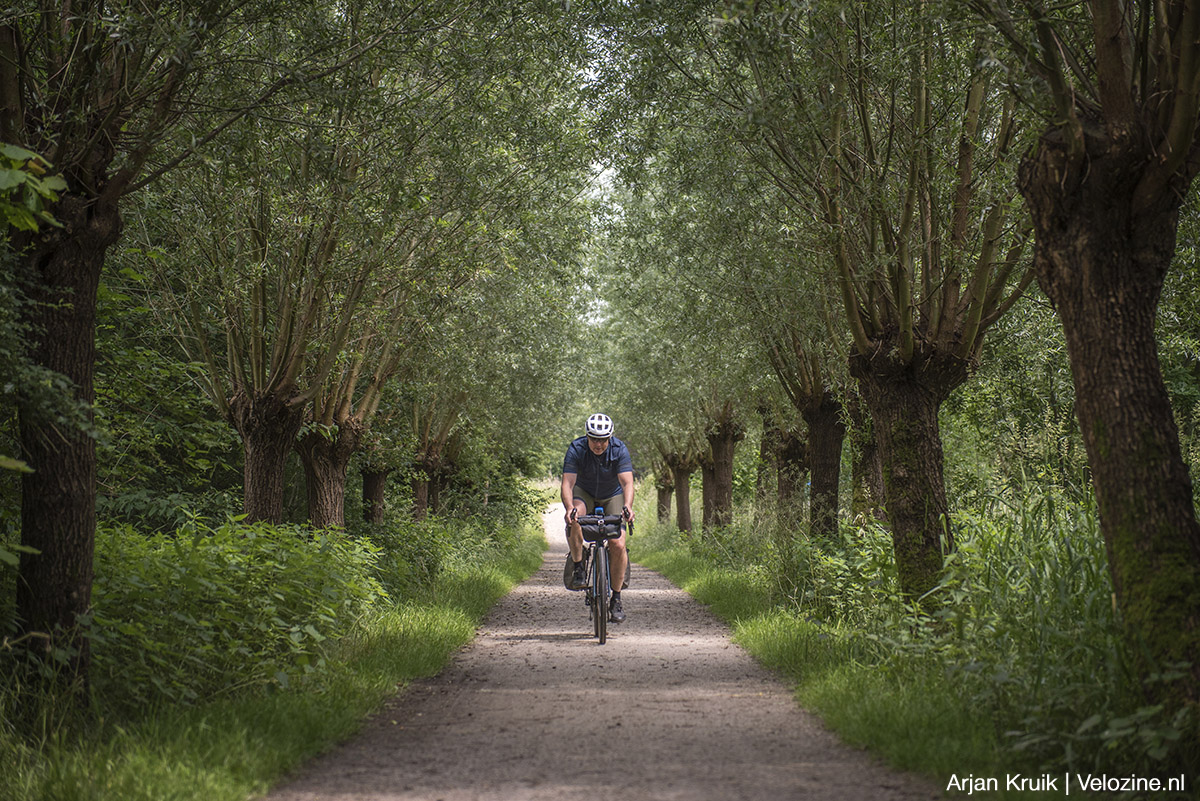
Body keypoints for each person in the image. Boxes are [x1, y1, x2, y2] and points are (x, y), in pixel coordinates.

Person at [561, 412, 635, 623]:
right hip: (584, 492)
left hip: (612, 494)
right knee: (575, 517)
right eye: (594, 439)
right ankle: (578, 566)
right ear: (587, 437)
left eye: (603, 439)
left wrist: (628, 507)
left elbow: (627, 483)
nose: (598, 444)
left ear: (609, 438)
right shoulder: (577, 449)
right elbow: (568, 483)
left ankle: (616, 599)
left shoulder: (619, 449)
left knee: (618, 544)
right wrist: (568, 508)